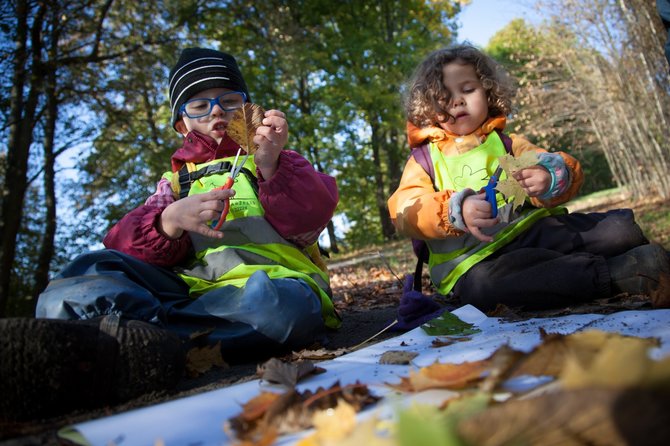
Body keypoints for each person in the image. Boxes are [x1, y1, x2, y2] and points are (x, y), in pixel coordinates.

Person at [1, 47, 340, 420]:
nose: (216, 111)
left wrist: (271, 164)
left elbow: (312, 217)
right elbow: (125, 243)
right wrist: (169, 222)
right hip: (190, 294)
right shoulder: (173, 185)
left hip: (270, 289)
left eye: (229, 100)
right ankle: (115, 339)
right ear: (182, 123)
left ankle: (133, 346)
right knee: (89, 269)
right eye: (199, 105)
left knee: (281, 309)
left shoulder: (277, 163)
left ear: (248, 109)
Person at [388, 44, 670, 314]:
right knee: (485, 289)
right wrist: (453, 210)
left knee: (620, 230)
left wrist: (548, 177)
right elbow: (405, 209)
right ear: (428, 109)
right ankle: (624, 271)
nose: (457, 101)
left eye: (467, 89)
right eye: (444, 96)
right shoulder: (424, 160)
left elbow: (555, 164)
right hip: (475, 262)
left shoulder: (507, 143)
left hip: (534, 233)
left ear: (488, 93)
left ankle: (618, 251)